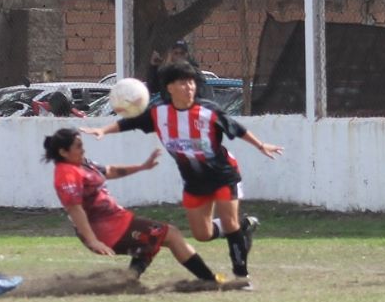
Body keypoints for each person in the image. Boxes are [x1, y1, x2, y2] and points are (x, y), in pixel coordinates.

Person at [80, 61, 284, 283]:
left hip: (223, 175)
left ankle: (241, 276)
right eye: (183, 83)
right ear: (169, 87)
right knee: (202, 234)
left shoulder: (208, 111)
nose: (189, 87)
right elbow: (129, 123)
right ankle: (244, 225)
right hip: (194, 182)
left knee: (228, 222)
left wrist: (261, 145)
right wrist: (102, 130)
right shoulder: (159, 114)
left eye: (191, 83)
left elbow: (238, 129)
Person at [43, 127, 226, 286]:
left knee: (149, 241)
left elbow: (110, 170)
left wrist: (142, 167)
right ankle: (209, 280)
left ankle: (125, 282)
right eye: (78, 147)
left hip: (117, 222)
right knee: (170, 234)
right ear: (63, 152)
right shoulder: (66, 174)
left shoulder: (81, 164)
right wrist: (92, 240)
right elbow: (75, 209)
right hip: (107, 230)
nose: (83, 150)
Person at [147, 40, 211, 100]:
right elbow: (153, 88)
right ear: (171, 54)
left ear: (187, 55)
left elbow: (202, 95)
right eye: (176, 53)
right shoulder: (166, 73)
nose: (179, 56)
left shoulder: (195, 73)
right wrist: (154, 67)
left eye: (182, 53)